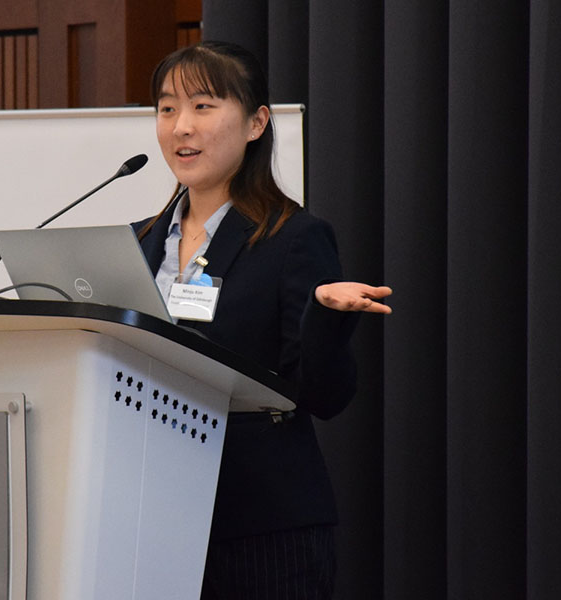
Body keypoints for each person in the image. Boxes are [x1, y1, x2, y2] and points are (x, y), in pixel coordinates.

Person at [133, 41, 392, 600]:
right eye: (167, 108)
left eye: (203, 107)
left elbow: (323, 396)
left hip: (259, 525)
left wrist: (325, 317)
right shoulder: (140, 241)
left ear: (256, 123)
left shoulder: (294, 238)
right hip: (145, 518)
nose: (181, 127)